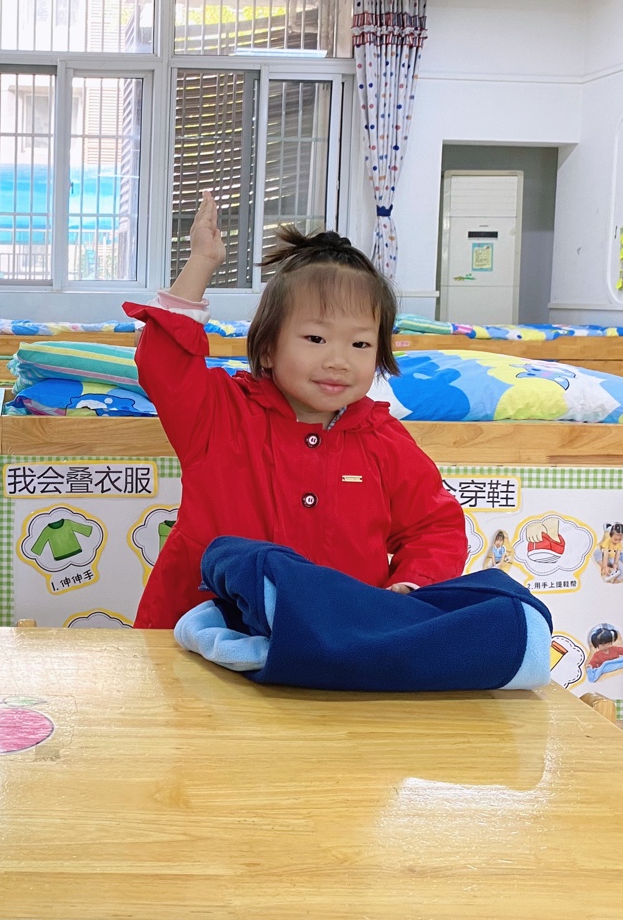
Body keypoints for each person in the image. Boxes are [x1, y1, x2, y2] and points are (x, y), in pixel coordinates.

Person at [124, 192, 466, 628]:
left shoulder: (383, 440)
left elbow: (434, 527)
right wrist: (202, 262)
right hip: (202, 631)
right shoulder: (219, 414)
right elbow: (164, 363)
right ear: (267, 348)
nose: (338, 360)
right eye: (316, 339)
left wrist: (412, 585)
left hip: (337, 638)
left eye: (360, 343)